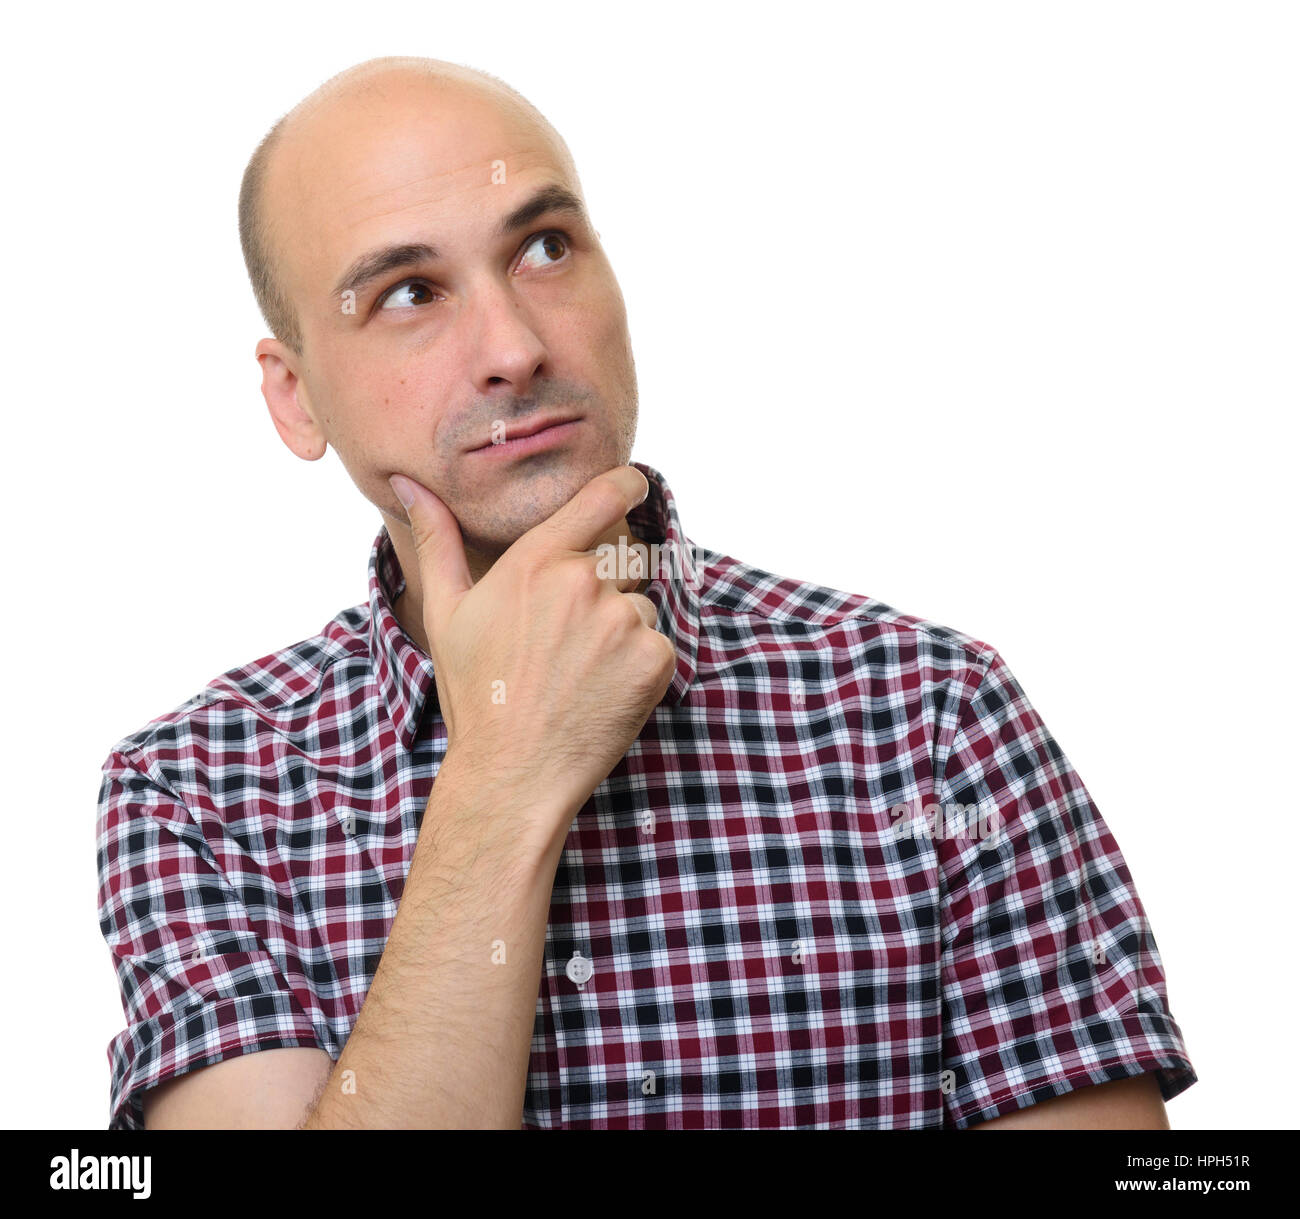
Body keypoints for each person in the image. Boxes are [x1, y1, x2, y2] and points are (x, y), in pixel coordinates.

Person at [95, 56, 1196, 1130]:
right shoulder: (197, 797)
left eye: (543, 247)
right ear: (295, 399)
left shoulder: (930, 716)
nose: (515, 350)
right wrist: (502, 782)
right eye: (410, 292)